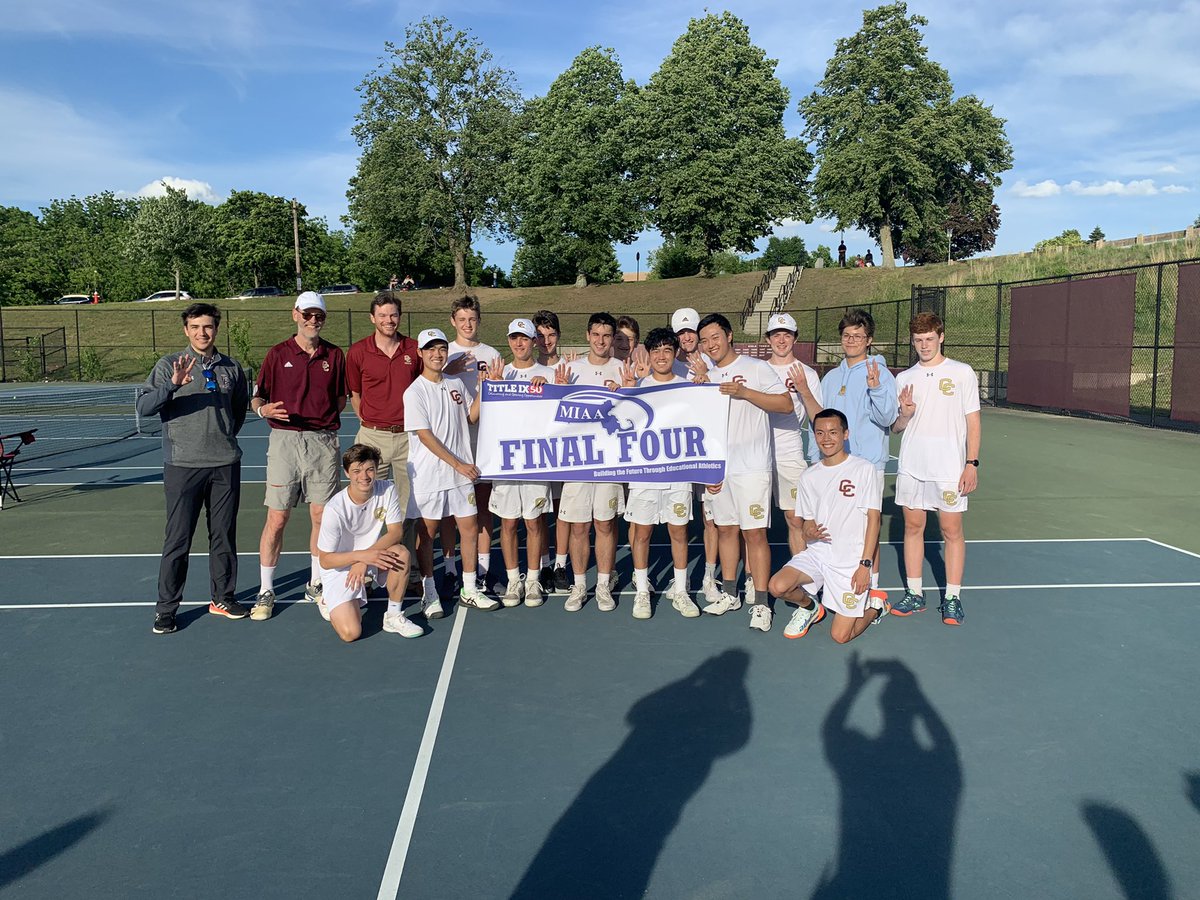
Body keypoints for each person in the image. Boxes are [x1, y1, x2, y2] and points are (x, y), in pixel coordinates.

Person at [137, 303, 249, 633]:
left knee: (224, 537)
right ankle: (166, 609)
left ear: (217, 329)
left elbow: (238, 411)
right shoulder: (169, 364)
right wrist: (171, 385)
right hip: (182, 466)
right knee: (178, 539)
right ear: (186, 330)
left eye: (208, 326)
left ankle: (223, 597)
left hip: (225, 464)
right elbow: (144, 407)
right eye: (195, 327)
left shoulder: (231, 368)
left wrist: (223, 437)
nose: (203, 332)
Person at [249, 292, 348, 621]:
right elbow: (258, 397)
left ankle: (316, 582)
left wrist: (322, 425)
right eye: (307, 314)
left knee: (321, 517)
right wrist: (263, 409)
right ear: (295, 315)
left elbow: (339, 400)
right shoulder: (278, 354)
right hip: (285, 443)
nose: (312, 320)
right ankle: (266, 589)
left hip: (322, 443)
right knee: (277, 519)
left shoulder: (334, 355)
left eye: (318, 315)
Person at [695, 313, 793, 633]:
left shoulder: (756, 367)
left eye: (715, 337)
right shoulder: (706, 377)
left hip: (752, 467)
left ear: (729, 335)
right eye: (705, 340)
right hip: (721, 469)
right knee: (725, 530)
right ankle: (729, 593)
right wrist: (709, 467)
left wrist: (745, 393)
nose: (711, 345)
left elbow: (785, 404)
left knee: (754, 534)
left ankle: (761, 603)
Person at [889, 312, 981, 626]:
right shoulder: (904, 378)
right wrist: (905, 413)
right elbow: (897, 428)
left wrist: (971, 463)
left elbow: (973, 421)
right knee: (912, 528)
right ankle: (915, 594)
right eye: (918, 340)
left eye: (929, 339)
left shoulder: (962, 373)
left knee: (951, 532)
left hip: (949, 469)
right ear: (912, 341)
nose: (924, 345)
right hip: (913, 467)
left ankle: (952, 598)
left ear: (940, 337)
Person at [767, 409, 885, 643]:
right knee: (777, 586)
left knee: (841, 636)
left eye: (833, 432)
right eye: (820, 433)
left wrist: (865, 566)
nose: (826, 438)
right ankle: (811, 607)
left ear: (845, 434)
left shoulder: (863, 469)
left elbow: (874, 520)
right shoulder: (809, 476)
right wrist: (807, 529)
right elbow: (806, 522)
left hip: (849, 562)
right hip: (819, 554)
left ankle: (876, 608)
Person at [405, 327, 499, 614]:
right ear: (421, 353)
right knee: (428, 532)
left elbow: (470, 418)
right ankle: (430, 592)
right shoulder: (415, 392)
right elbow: (425, 436)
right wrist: (458, 463)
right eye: (431, 349)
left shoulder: (456, 383)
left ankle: (469, 589)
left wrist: (484, 389)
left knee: (469, 529)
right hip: (430, 475)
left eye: (441, 349)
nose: (437, 354)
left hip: (459, 475)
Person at [619, 327, 701, 619]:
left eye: (668, 350)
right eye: (656, 351)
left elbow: (704, 427)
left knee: (678, 533)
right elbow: (620, 428)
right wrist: (625, 394)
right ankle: (642, 590)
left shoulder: (689, 386)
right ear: (648, 355)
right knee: (642, 533)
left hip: (678, 474)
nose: (662, 356)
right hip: (645, 475)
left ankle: (680, 591)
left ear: (676, 353)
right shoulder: (638, 386)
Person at [818, 309, 898, 608]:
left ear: (869, 340)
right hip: (834, 466)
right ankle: (835, 586)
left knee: (868, 529)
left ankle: (874, 594)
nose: (851, 340)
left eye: (858, 336)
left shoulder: (880, 373)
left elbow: (888, 416)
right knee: (835, 527)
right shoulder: (832, 377)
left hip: (867, 465)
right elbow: (822, 421)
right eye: (847, 335)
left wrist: (875, 387)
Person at [484, 318, 559, 608]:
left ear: (533, 342)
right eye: (514, 338)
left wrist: (550, 390)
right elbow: (487, 420)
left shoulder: (549, 374)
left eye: (525, 339)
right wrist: (494, 387)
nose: (519, 344)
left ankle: (533, 579)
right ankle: (514, 579)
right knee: (508, 522)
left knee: (534, 522)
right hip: (506, 462)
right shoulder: (500, 374)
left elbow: (557, 419)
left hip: (536, 461)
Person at [315, 444, 421, 641]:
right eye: (356, 470)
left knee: (401, 553)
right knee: (351, 633)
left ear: (376, 469)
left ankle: (393, 616)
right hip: (340, 567)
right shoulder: (335, 509)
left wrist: (364, 561)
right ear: (347, 473)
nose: (364, 476)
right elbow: (325, 561)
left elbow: (395, 533)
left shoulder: (387, 489)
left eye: (369, 469)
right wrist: (359, 558)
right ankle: (328, 601)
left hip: (369, 558)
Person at [560, 312, 627, 612]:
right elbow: (550, 410)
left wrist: (626, 391)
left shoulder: (623, 370)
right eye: (596, 335)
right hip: (577, 460)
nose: (601, 341)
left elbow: (636, 413)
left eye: (607, 335)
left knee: (605, 524)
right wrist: (554, 388)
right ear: (588, 335)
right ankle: (578, 585)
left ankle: (602, 585)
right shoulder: (570, 369)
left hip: (610, 461)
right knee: (578, 526)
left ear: (613, 339)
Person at [445, 296, 503, 591]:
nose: (468, 325)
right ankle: (451, 568)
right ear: (453, 321)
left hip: (482, 442)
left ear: (479, 321)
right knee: (450, 511)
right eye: (462, 319)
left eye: (472, 319)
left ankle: (482, 569)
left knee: (482, 508)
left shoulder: (491, 354)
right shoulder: (444, 353)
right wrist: (448, 371)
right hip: (452, 442)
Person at [670, 306, 719, 603]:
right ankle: (678, 578)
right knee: (678, 522)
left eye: (691, 331)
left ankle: (709, 577)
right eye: (682, 332)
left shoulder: (714, 364)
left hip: (708, 452)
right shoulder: (663, 364)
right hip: (676, 457)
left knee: (710, 518)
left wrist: (707, 377)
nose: (687, 337)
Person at [764, 312, 823, 555]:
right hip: (757, 452)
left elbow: (818, 418)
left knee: (795, 519)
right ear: (768, 339)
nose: (781, 340)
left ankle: (801, 577)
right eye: (776, 335)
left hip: (790, 451)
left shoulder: (807, 374)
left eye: (786, 335)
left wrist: (804, 391)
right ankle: (750, 579)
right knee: (752, 524)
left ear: (795, 339)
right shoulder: (758, 370)